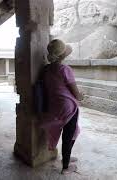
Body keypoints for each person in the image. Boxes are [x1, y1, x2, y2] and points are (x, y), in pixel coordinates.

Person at [40, 39, 83, 174]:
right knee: (69, 135)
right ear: (63, 55)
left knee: (72, 131)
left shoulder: (46, 69)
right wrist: (81, 96)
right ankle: (65, 166)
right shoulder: (65, 69)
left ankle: (67, 156)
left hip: (54, 106)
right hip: (68, 107)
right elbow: (75, 92)